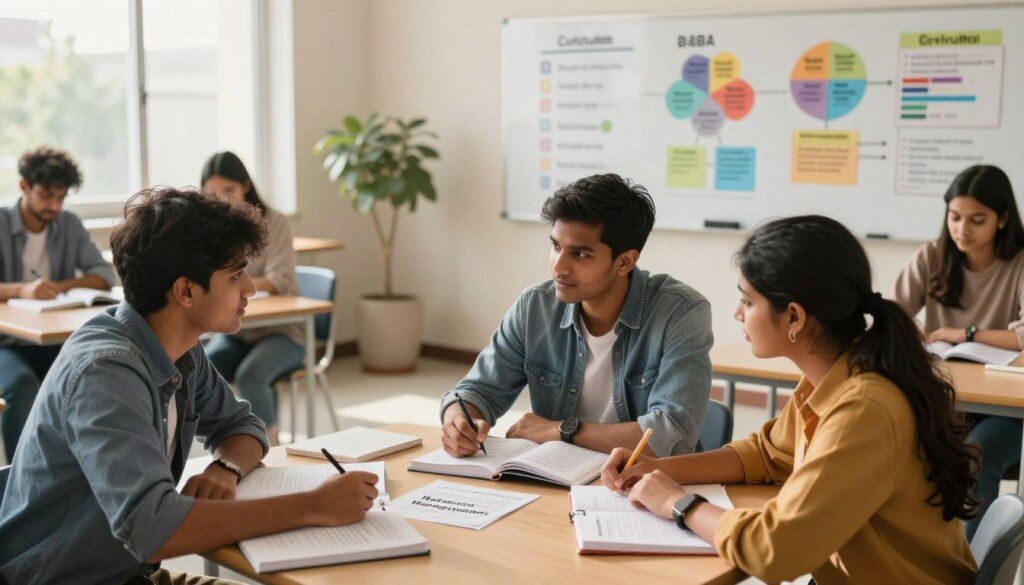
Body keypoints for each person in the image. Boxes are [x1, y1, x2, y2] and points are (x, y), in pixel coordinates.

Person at [0, 187, 378, 585]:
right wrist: (313, 506)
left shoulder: (179, 348)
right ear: (186, 291)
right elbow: (153, 528)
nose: (250, 288)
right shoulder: (106, 374)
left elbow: (242, 427)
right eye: (235, 275)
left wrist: (225, 468)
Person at [602, 215, 978, 584]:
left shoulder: (864, 408)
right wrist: (662, 470)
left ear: (794, 317)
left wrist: (678, 504)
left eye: (747, 302)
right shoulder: (834, 375)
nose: (736, 313)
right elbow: (767, 454)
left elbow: (774, 551)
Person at [440, 173, 713, 459]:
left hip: (642, 483)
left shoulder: (681, 312)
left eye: (580, 255)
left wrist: (562, 430)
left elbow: (672, 435)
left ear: (625, 261)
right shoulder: (535, 306)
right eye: (556, 246)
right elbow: (477, 391)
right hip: (556, 476)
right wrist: (458, 420)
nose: (559, 267)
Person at [893, 164, 1024, 539]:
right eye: (954, 217)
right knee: (888, 438)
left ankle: (970, 569)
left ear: (1002, 219)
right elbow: (889, 314)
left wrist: (964, 333)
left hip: (1010, 410)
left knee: (976, 455)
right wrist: (908, 331)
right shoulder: (932, 256)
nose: (962, 229)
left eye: (977, 219)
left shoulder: (1019, 263)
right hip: (945, 399)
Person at [0, 146, 115, 461]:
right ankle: (17, 482)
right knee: (21, 385)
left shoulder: (68, 224)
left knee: (97, 371)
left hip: (52, 340)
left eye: (61, 197)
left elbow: (104, 274)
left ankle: (83, 472)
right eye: (46, 196)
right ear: (24, 186)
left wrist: (61, 286)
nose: (54, 205)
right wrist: (23, 290)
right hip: (6, 344)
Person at [200, 151, 302, 445]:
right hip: (238, 330)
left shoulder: (275, 222)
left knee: (250, 376)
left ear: (246, 185)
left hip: (284, 332)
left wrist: (230, 284)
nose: (222, 201)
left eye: (229, 191)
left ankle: (266, 446)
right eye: (213, 194)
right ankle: (224, 443)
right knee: (203, 369)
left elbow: (281, 280)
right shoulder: (213, 229)